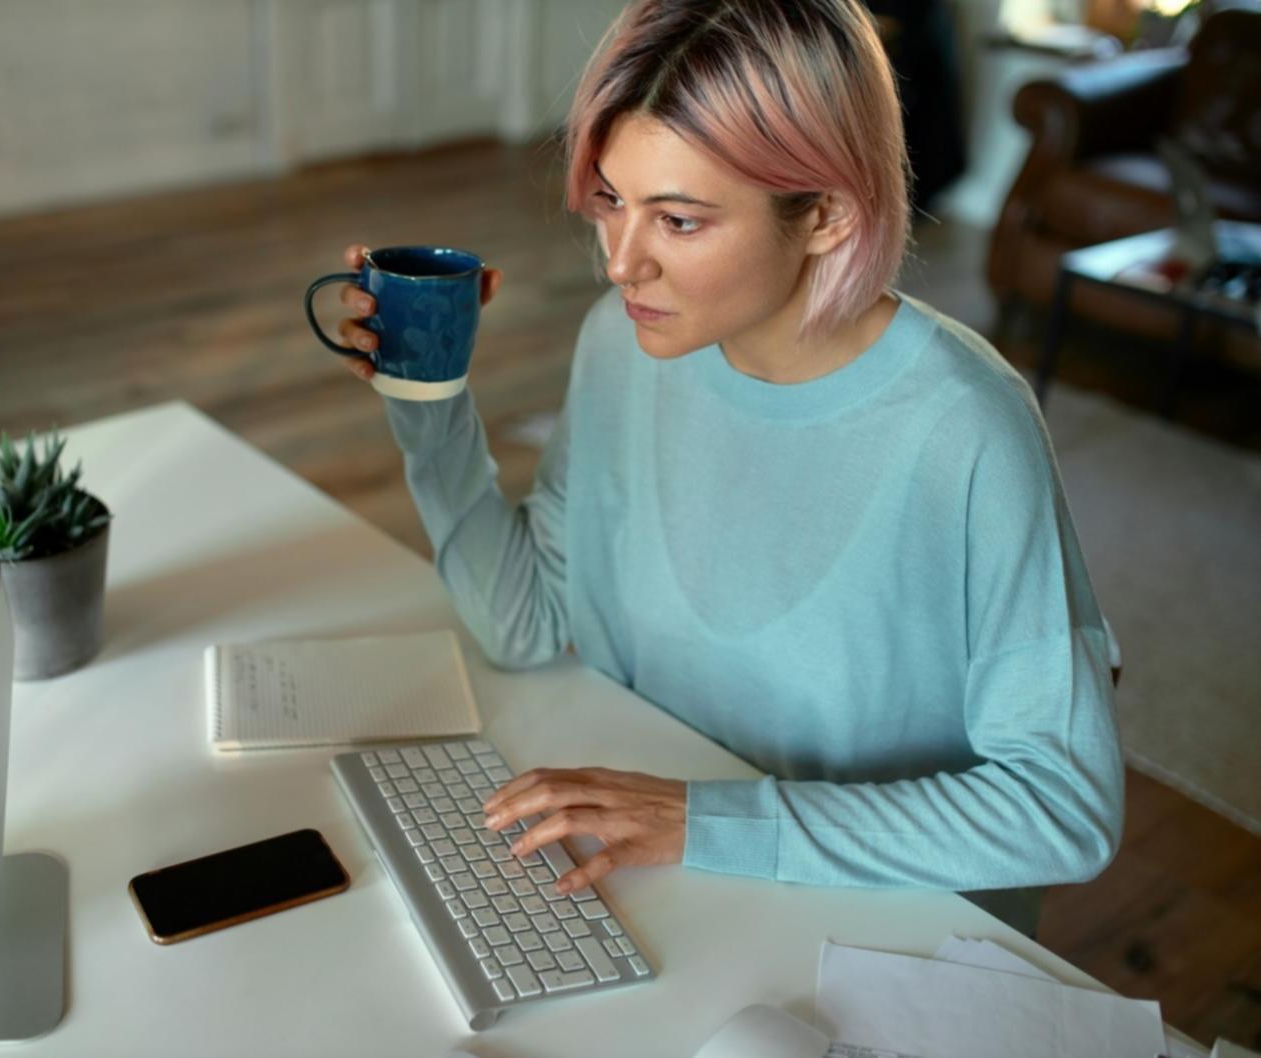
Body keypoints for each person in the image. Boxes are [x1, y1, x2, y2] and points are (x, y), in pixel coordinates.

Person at [323, 0, 1123, 934]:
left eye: (680, 220)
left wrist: (701, 819)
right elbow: (527, 621)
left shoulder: (966, 426)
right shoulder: (621, 352)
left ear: (824, 213)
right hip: (669, 886)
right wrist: (428, 403)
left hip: (884, 932)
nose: (622, 263)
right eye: (613, 201)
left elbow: (1063, 807)